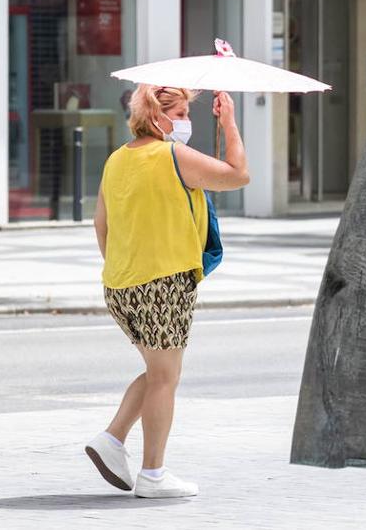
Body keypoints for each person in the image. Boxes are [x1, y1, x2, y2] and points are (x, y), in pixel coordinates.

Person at [86, 85, 248, 499]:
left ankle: (113, 439)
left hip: (120, 285)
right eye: (179, 113)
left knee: (161, 372)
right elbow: (238, 174)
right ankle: (153, 474)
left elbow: (100, 225)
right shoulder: (172, 155)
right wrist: (228, 122)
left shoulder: (116, 159)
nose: (184, 122)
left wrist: (123, 266)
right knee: (165, 378)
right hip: (164, 282)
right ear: (158, 118)